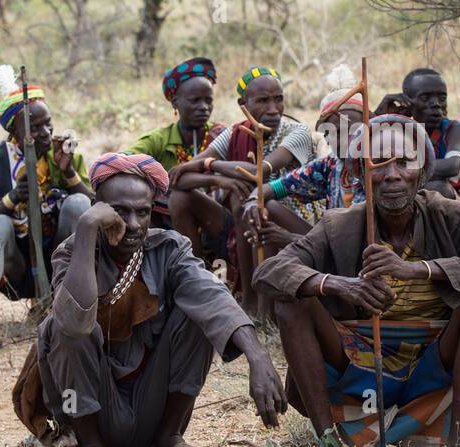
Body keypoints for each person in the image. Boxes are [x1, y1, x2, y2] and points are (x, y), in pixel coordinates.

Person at [253, 114, 460, 447]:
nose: (392, 175)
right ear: (361, 174)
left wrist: (417, 270)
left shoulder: (450, 214)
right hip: (359, 363)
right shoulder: (339, 225)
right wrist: (338, 285)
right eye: (378, 164)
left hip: (433, 364)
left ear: (422, 172)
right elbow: (270, 273)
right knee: (291, 302)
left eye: (404, 163)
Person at [31, 153, 287, 447]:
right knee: (59, 327)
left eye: (143, 212)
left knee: (197, 311)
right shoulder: (74, 251)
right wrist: (86, 229)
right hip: (90, 412)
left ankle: (169, 439)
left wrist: (258, 355)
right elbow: (72, 324)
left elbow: (213, 296)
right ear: (99, 208)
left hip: (151, 410)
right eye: (120, 211)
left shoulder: (170, 249)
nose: (134, 224)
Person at [0, 69, 93, 355]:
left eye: (48, 124)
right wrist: (10, 200)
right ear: (14, 133)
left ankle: (75, 307)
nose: (45, 133)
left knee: (79, 204)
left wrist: (69, 173)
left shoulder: (63, 155)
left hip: (59, 263)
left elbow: (97, 210)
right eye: (35, 128)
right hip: (17, 270)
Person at [167, 66, 319, 313]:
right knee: (181, 198)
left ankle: (258, 303)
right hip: (243, 222)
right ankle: (198, 284)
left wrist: (210, 164)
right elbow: (177, 179)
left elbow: (259, 171)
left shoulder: (296, 132)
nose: (273, 109)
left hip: (289, 221)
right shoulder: (236, 133)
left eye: (278, 99)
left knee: (255, 201)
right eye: (263, 101)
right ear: (243, 104)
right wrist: (219, 181)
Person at [240, 86, 367, 251]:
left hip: (360, 257)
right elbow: (276, 187)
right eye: (336, 133)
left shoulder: (378, 170)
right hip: (330, 246)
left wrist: (290, 238)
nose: (347, 140)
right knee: (265, 208)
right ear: (327, 138)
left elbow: (353, 241)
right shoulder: (330, 166)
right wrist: (253, 201)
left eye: (354, 130)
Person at [379, 68, 460, 235]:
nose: (436, 103)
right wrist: (379, 117)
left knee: (437, 189)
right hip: (419, 208)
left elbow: (451, 166)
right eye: (425, 97)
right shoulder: (401, 133)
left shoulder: (456, 131)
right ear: (407, 102)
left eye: (442, 97)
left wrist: (400, 170)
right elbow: (363, 167)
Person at [126, 56, 227, 224]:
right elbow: (124, 160)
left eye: (208, 100)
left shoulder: (222, 134)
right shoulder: (158, 140)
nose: (203, 107)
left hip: (215, 219)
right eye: (194, 100)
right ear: (175, 103)